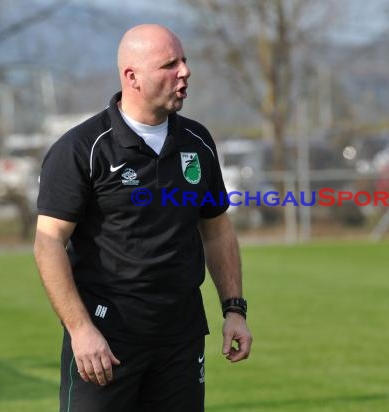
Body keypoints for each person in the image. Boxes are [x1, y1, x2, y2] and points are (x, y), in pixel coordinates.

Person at [33, 24, 252, 412]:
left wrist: (234, 309)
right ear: (131, 77)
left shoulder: (197, 142)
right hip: (105, 340)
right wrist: (81, 330)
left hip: (180, 337)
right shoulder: (82, 149)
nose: (184, 71)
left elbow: (216, 229)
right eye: (170, 64)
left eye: (184, 61)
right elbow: (48, 241)